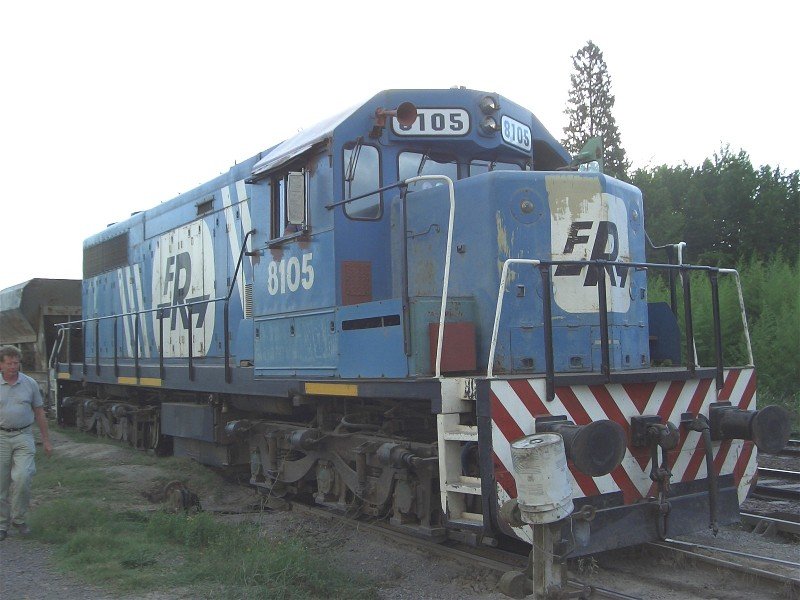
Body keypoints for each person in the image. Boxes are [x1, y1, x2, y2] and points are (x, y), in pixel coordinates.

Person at [0, 345, 52, 540]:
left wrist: (46, 441)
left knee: (23, 477)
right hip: (1, 437)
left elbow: (39, 412)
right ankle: (1, 525)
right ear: (1, 365)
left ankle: (19, 519)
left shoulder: (29, 384)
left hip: (23, 435)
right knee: (1, 484)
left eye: (16, 363)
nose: (14, 366)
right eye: (9, 363)